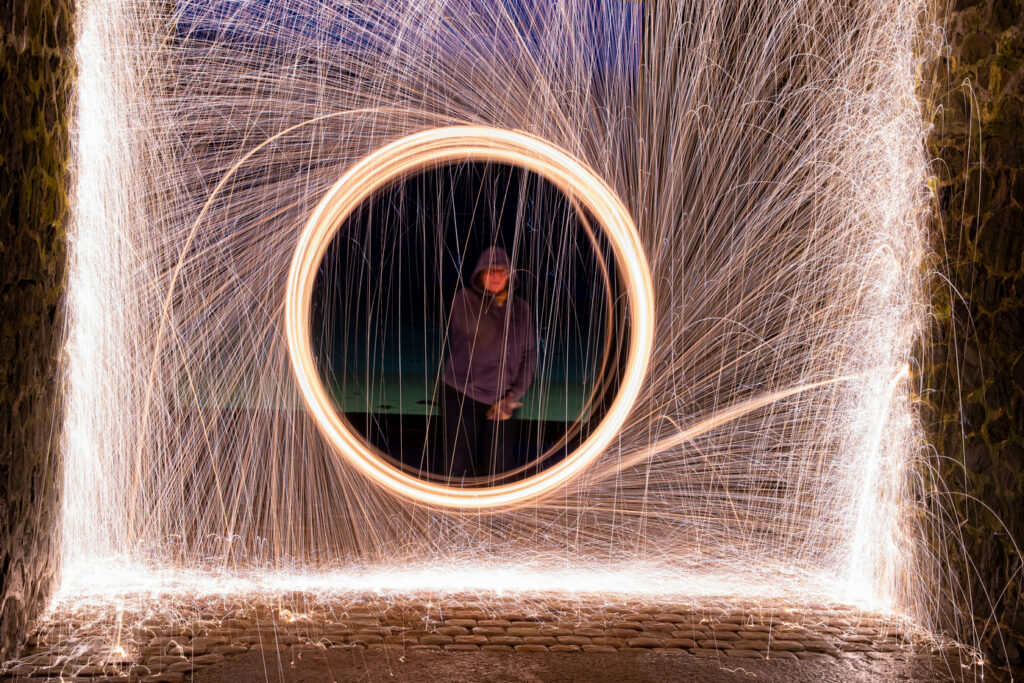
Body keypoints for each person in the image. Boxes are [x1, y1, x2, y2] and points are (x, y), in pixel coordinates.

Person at [440, 246, 537, 480]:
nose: (495, 278)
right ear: (480, 275)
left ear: (510, 276)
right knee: (456, 464)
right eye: (490, 271)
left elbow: (529, 355)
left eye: (501, 272)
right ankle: (454, 512)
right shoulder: (464, 300)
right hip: (462, 396)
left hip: (503, 401)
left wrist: (512, 397)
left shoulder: (522, 309)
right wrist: (498, 306)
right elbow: (481, 334)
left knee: (500, 468)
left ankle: (495, 516)